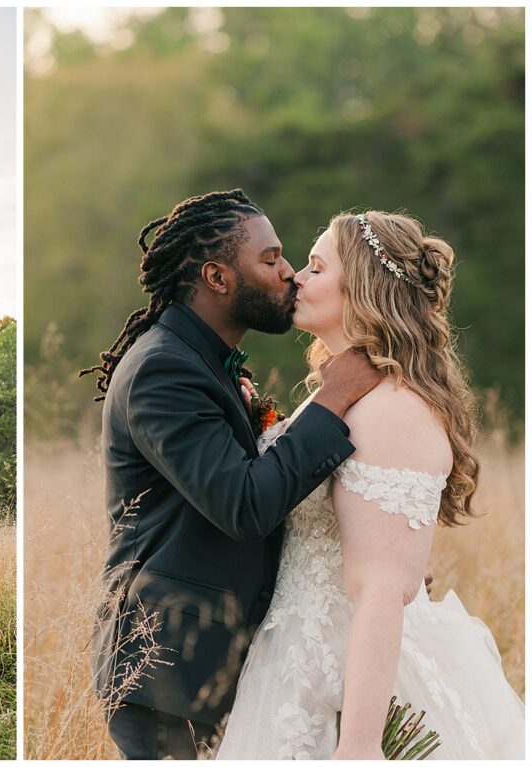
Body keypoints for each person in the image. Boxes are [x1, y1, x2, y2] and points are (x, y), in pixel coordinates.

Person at [80, 189, 382, 759]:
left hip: (216, 668)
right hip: (169, 676)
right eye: (270, 260)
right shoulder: (162, 370)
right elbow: (244, 505)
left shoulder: (199, 363)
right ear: (217, 278)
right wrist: (335, 395)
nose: (289, 273)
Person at [214, 211, 524, 759]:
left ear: (361, 286)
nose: (297, 278)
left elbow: (382, 588)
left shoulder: (394, 411)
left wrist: (358, 747)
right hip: (297, 657)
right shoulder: (346, 391)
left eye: (315, 266)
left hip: (349, 684)